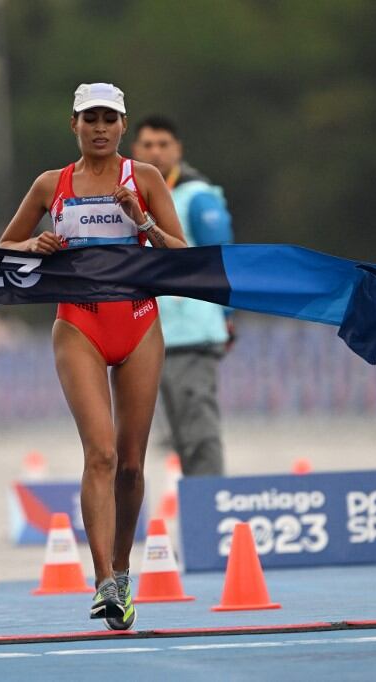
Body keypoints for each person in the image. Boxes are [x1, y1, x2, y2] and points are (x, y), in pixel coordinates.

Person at [0, 83, 186, 630]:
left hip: (138, 324)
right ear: (74, 125)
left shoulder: (143, 179)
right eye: (90, 119)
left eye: (109, 118)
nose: (100, 127)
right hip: (78, 324)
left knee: (130, 465)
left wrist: (143, 221)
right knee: (100, 454)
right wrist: (33, 245)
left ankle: (123, 571)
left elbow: (186, 257)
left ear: (123, 126)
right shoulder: (50, 184)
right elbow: (1, 249)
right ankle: (103, 579)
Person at [132, 116, 233, 476]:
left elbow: (222, 259)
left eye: (163, 144)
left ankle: (210, 510)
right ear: (135, 151)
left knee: (199, 436)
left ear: (178, 150)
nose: (155, 152)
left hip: (192, 332)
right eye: (148, 145)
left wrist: (225, 317)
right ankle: (201, 514)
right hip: (152, 333)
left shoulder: (196, 196)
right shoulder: (135, 196)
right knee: (179, 438)